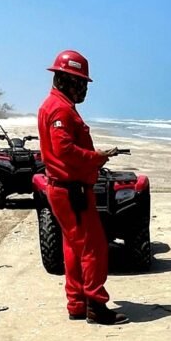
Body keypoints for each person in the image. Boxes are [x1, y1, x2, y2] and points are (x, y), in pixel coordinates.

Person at [37, 49, 127, 325]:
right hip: (71, 189)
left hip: (65, 188)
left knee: (74, 247)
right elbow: (65, 150)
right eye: (82, 83)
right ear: (66, 80)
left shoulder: (55, 106)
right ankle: (96, 306)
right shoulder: (60, 110)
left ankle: (77, 303)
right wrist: (98, 157)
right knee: (94, 248)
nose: (85, 89)